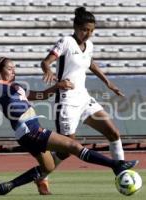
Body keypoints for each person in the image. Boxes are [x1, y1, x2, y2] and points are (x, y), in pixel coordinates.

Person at [0, 57, 138, 196]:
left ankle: (10, 185)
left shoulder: (17, 87)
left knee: (49, 167)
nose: (13, 70)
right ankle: (116, 166)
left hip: (26, 133)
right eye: (9, 68)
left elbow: (38, 96)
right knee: (72, 145)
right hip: (30, 130)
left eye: (14, 67)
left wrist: (57, 86)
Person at [35, 7, 127, 194]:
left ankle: (122, 173)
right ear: (76, 26)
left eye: (91, 30)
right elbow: (45, 62)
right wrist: (49, 72)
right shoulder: (66, 41)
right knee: (66, 150)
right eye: (85, 29)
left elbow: (90, 62)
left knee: (113, 133)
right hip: (67, 101)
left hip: (84, 98)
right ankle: (41, 175)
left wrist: (108, 82)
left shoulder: (90, 45)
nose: (88, 34)